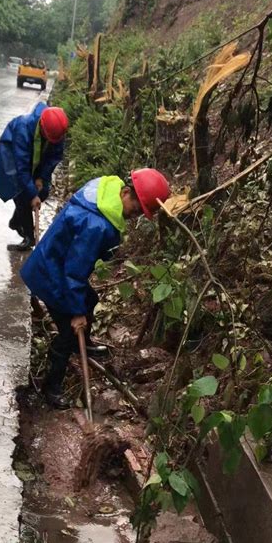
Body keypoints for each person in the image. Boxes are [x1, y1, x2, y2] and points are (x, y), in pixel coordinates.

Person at [20, 168, 171, 408]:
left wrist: (81, 306)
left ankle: (85, 343)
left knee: (90, 299)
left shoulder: (104, 190)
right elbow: (74, 272)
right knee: (69, 332)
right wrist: (76, 314)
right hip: (50, 275)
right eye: (136, 208)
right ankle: (51, 386)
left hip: (55, 265)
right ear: (125, 192)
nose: (136, 215)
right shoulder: (96, 225)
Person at [0, 103, 69, 252]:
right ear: (42, 127)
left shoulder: (57, 131)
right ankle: (29, 237)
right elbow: (22, 167)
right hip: (12, 157)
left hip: (37, 158)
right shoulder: (23, 128)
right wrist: (32, 194)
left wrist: (41, 178)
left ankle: (16, 221)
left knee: (43, 192)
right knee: (22, 193)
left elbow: (53, 157)